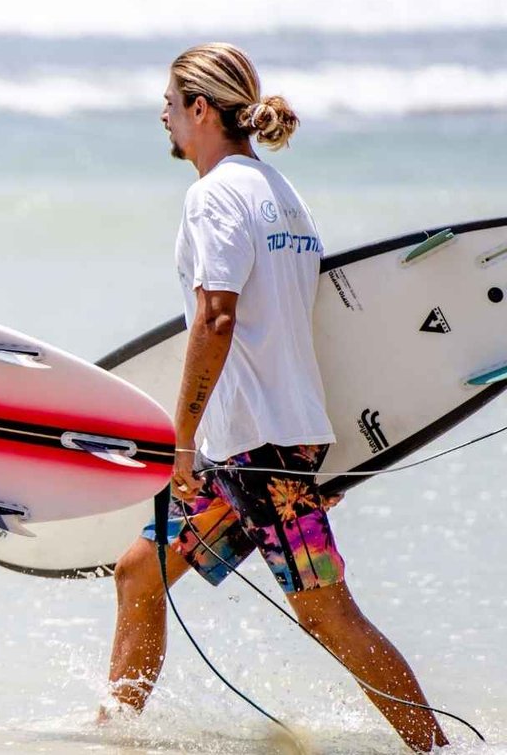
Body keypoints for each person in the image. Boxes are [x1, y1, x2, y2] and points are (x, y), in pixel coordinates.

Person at [100, 42, 447, 751]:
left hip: (254, 447)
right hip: (266, 444)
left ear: (199, 108)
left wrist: (182, 436)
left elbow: (217, 318)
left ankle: (437, 748)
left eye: (170, 102)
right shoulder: (281, 194)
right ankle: (116, 732)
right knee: (140, 571)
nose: (162, 116)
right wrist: (323, 449)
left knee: (324, 610)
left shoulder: (213, 195)